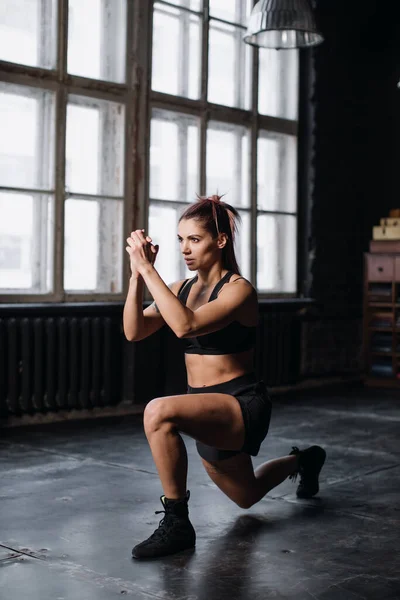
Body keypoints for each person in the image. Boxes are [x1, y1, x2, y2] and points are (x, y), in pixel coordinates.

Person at [123, 194, 326, 560]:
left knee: (158, 411)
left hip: (240, 404)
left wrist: (149, 272)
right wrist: (138, 274)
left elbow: (186, 326)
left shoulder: (239, 290)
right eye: (180, 240)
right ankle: (304, 460)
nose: (185, 249)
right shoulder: (183, 288)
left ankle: (177, 523)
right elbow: (134, 331)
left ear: (220, 240)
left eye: (195, 239)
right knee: (246, 496)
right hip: (205, 410)